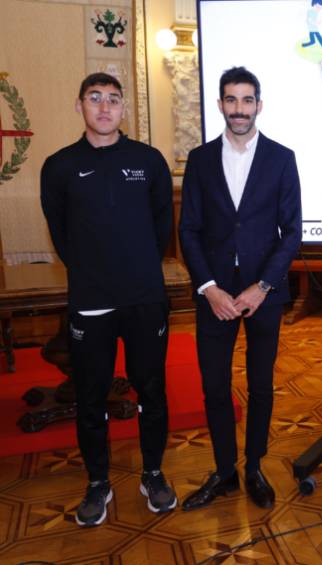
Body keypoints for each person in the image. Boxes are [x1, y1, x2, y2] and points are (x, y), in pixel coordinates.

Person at [40, 72, 176, 527]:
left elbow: (162, 227)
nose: (104, 107)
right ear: (79, 105)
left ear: (123, 108)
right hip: (91, 300)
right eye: (94, 98)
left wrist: (136, 268)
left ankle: (153, 473)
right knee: (91, 396)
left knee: (151, 389)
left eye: (113, 99)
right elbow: (60, 233)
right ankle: (98, 482)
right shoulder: (59, 166)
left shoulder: (149, 161)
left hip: (144, 298)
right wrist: (93, 272)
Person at [179, 67, 303, 511]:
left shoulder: (281, 158)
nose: (239, 109)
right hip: (214, 292)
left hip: (263, 291)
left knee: (261, 384)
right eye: (231, 100)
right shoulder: (199, 160)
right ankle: (224, 471)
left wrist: (263, 286)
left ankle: (254, 467)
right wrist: (209, 288)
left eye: (247, 100)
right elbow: (188, 230)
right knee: (214, 386)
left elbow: (292, 232)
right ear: (220, 105)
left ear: (258, 105)